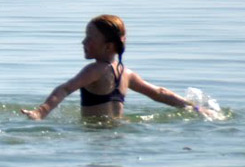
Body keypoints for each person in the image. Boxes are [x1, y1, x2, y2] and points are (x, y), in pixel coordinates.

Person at [23, 15, 212, 120]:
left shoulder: (94, 70)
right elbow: (159, 93)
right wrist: (194, 108)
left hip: (95, 135)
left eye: (90, 38)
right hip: (118, 130)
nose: (83, 41)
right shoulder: (126, 74)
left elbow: (65, 89)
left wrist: (41, 111)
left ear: (108, 46)